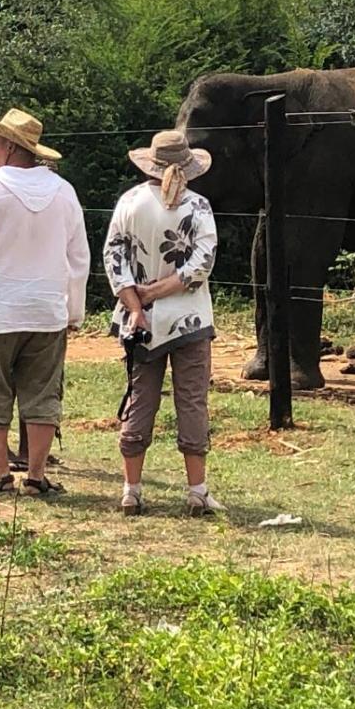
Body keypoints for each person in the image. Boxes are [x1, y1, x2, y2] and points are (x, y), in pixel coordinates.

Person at [0, 109, 89, 496]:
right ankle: (36, 476)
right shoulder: (64, 191)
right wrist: (72, 310)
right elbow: (78, 257)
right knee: (42, 392)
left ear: (9, 146)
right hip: (46, 310)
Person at [103, 130, 223, 516]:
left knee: (140, 397)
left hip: (141, 320)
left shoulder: (130, 201)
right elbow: (201, 266)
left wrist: (135, 304)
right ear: (187, 166)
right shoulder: (198, 206)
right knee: (192, 400)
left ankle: (131, 489)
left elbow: (113, 257)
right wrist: (158, 291)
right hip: (189, 319)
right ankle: (197, 490)